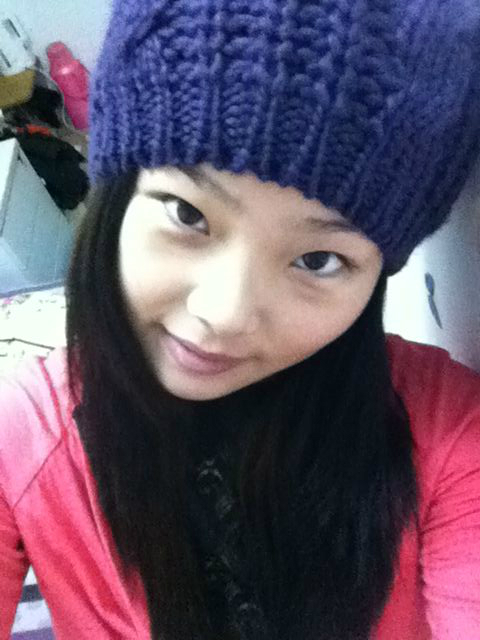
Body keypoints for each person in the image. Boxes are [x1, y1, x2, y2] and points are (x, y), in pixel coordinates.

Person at [1, 0, 480, 638]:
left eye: (318, 260)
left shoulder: (446, 434)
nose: (223, 314)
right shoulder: (22, 438)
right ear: (118, 196)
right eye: (187, 214)